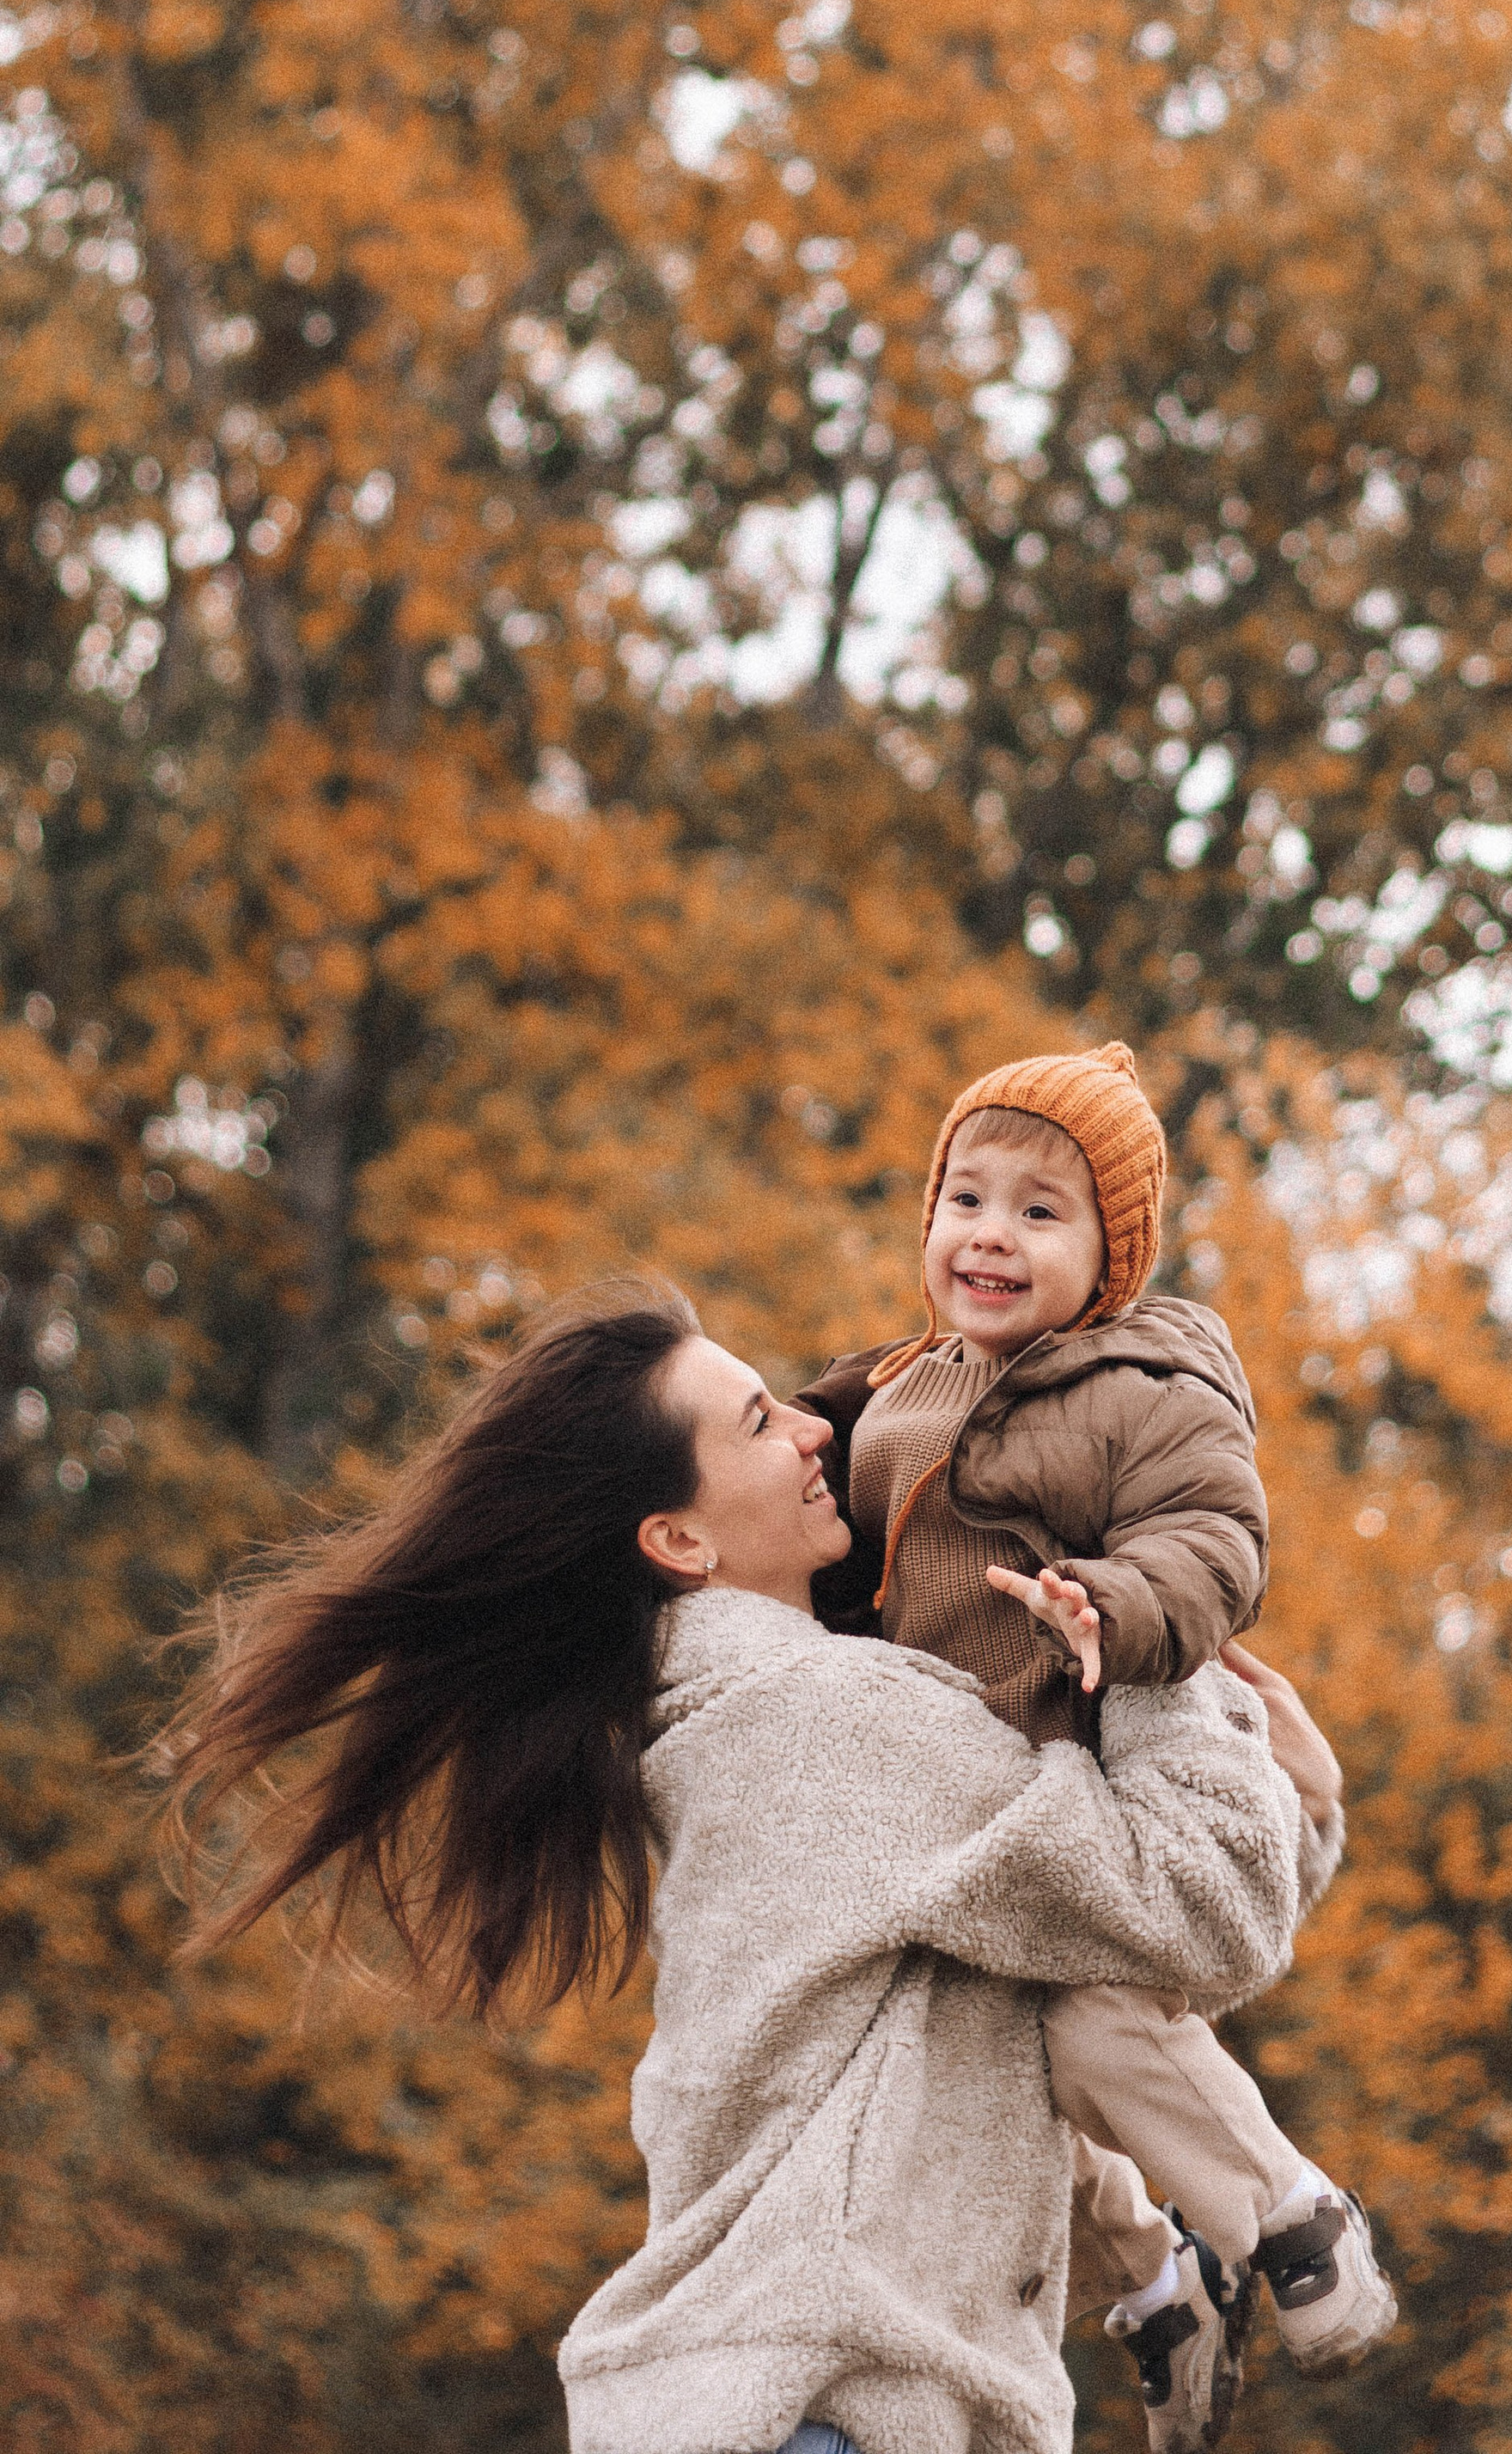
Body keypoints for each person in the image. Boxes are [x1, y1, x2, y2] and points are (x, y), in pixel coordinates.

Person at [162, 1273, 1321, 2454]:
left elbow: (1030, 2020)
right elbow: (1207, 1905)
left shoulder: (734, 1720)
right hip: (820, 2420)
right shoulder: (824, 1725)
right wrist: (1160, 1646)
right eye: (763, 1423)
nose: (820, 1431)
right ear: (679, 1540)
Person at [799, 1045, 1397, 2451]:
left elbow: (1214, 1543)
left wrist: (1114, 1607)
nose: (989, 1235)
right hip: (956, 1798)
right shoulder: (892, 1383)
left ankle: (1290, 2216)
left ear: (1111, 1258)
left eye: (1040, 1212)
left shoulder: (1138, 1384)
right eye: (966, 1197)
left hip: (1077, 1769)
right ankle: (1153, 2285)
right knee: (969, 2073)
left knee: (1096, 2026)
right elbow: (818, 1522)